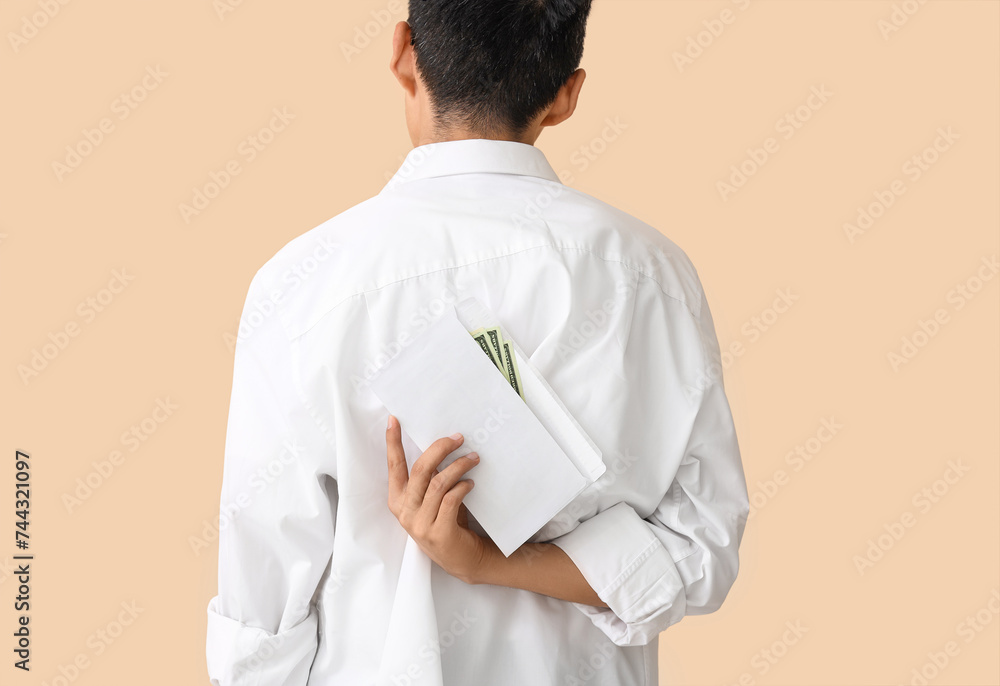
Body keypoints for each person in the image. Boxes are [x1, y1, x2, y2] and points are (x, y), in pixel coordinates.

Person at [205, 1, 750, 684]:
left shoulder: (302, 281)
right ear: (568, 95)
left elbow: (265, 586)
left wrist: (486, 561)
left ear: (404, 52)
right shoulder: (655, 275)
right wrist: (505, 563)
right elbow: (702, 554)